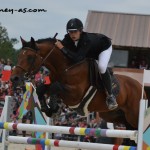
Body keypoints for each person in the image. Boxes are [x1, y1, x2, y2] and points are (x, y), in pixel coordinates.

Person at [55, 18, 118, 110]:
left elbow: (77, 58)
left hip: (103, 48)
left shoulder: (86, 40)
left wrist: (62, 48)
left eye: (75, 31)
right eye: (70, 32)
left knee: (101, 67)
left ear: (80, 31)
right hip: (90, 52)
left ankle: (110, 96)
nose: (72, 34)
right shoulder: (68, 38)